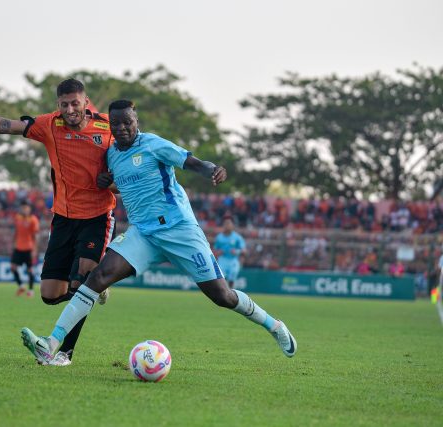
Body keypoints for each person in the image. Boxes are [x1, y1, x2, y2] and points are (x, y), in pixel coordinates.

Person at [21, 100, 297, 365]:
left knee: (222, 296)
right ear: (110, 125)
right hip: (143, 234)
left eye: (127, 122)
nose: (121, 128)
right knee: (98, 277)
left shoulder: (154, 144)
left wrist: (212, 169)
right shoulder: (112, 154)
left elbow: (190, 161)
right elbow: (122, 183)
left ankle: (274, 325)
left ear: (136, 121)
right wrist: (107, 181)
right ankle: (52, 345)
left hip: (180, 231)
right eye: (115, 124)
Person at [0, 78, 116, 366]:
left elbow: (134, 153)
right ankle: (95, 288)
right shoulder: (49, 125)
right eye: (64, 104)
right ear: (57, 105)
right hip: (63, 218)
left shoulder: (107, 126)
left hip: (97, 218)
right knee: (50, 295)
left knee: (79, 286)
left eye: (75, 103)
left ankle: (63, 353)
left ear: (85, 102)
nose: (70, 109)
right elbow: (3, 125)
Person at [12, 203, 39, 298]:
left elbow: (35, 236)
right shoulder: (17, 218)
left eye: (26, 208)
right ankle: (21, 286)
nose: (24, 210)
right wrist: (13, 243)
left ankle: (31, 290)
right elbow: (16, 231)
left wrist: (35, 250)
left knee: (30, 270)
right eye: (22, 208)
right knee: (13, 267)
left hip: (29, 248)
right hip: (18, 247)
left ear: (29, 209)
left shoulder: (33, 220)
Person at [214, 217, 245, 289]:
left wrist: (237, 251)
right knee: (221, 277)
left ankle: (230, 291)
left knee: (233, 273)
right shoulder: (219, 237)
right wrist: (219, 252)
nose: (227, 226)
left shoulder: (237, 237)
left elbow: (244, 250)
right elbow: (215, 251)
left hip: (233, 259)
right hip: (222, 259)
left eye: (229, 224)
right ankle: (223, 291)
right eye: (226, 224)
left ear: (232, 226)